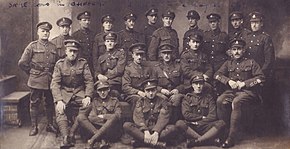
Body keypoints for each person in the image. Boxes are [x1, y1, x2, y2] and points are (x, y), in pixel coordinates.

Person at [214, 39, 265, 148]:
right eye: (234, 49)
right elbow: (217, 75)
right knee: (219, 101)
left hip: (248, 92)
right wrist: (228, 81)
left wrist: (245, 84)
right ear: (231, 51)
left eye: (239, 49)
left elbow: (261, 78)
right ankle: (223, 133)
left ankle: (231, 138)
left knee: (236, 102)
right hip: (231, 92)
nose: (237, 52)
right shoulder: (228, 63)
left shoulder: (251, 62)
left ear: (244, 50)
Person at [50, 39, 94, 147]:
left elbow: (89, 81)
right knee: (59, 108)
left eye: (75, 51)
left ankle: (72, 132)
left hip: (79, 92)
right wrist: (59, 100)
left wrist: (88, 96)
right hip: (65, 92)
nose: (73, 53)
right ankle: (65, 137)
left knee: (89, 106)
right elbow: (55, 84)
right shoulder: (59, 64)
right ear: (66, 51)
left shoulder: (83, 63)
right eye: (70, 51)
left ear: (77, 52)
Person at [18, 21, 58, 136]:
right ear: (38, 32)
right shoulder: (32, 46)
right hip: (36, 79)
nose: (45, 33)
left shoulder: (53, 47)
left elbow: (57, 64)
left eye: (47, 31)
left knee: (49, 103)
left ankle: (50, 125)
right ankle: (34, 127)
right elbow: (22, 63)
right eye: (43, 31)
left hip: (49, 80)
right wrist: (30, 72)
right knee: (34, 103)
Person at [123, 79, 177, 148]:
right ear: (144, 91)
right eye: (148, 91)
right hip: (144, 129)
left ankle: (141, 142)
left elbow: (163, 117)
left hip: (159, 129)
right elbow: (138, 117)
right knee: (126, 125)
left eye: (153, 90)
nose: (151, 93)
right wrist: (145, 131)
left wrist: (156, 132)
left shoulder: (163, 101)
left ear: (156, 90)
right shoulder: (140, 101)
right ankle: (157, 144)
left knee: (172, 128)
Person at [176, 73, 225, 148]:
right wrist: (201, 117)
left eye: (201, 84)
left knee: (221, 123)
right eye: (196, 83)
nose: (198, 86)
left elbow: (212, 115)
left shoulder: (209, 97)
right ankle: (208, 141)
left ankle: (197, 141)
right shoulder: (187, 98)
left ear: (203, 85)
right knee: (179, 123)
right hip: (192, 127)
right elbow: (186, 114)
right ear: (192, 85)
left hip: (205, 126)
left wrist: (199, 122)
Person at [77, 80, 122, 149]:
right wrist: (107, 120)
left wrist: (104, 116)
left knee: (114, 117)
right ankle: (102, 139)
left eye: (104, 89)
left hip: (110, 131)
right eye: (100, 90)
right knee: (80, 117)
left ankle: (92, 140)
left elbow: (118, 116)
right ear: (97, 91)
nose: (103, 92)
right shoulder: (95, 101)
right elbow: (92, 117)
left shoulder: (115, 101)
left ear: (108, 89)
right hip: (96, 129)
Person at [153, 43, 184, 123]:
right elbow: (152, 85)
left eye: (168, 53)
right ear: (161, 54)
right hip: (162, 93)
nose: (166, 55)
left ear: (172, 54)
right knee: (162, 99)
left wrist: (177, 89)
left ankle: (175, 124)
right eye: (164, 53)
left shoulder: (178, 67)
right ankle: (162, 123)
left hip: (174, 92)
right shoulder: (156, 68)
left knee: (176, 99)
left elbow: (184, 83)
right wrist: (161, 90)